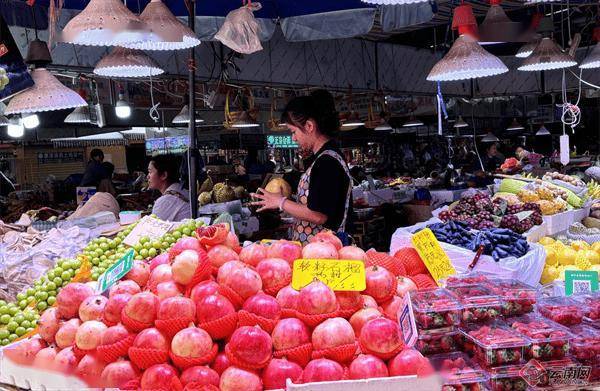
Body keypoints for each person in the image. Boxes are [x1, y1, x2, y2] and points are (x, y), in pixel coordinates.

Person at [251, 90, 353, 245]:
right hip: (318, 250)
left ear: (309, 126)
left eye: (294, 131)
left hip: (326, 253)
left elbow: (319, 215)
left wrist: (281, 202)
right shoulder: (324, 157)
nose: (293, 138)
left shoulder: (326, 162)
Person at [147, 155, 191, 221]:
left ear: (164, 175)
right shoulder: (182, 190)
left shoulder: (165, 201)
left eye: (150, 172)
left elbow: (152, 229)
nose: (148, 176)